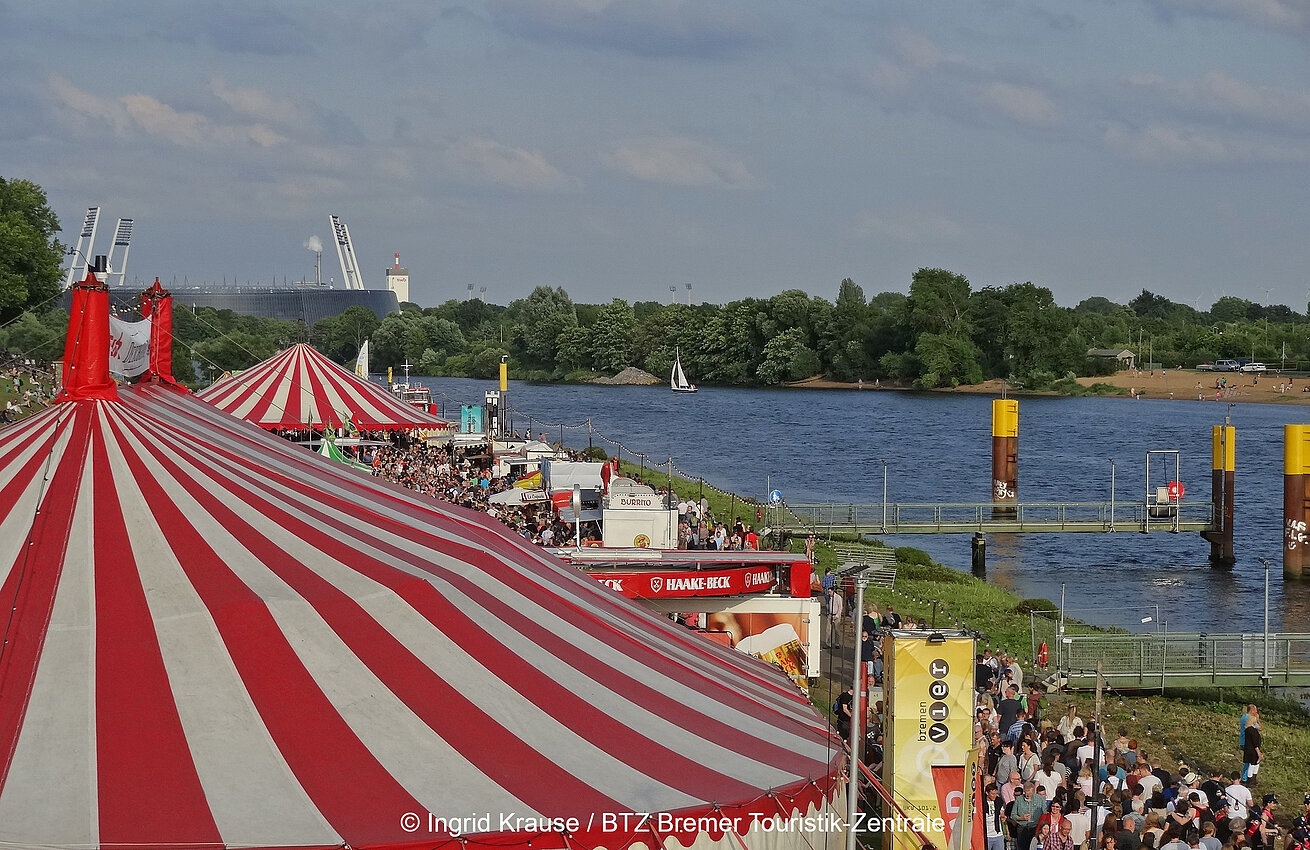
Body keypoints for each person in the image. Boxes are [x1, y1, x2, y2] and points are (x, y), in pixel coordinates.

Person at [984, 783, 1007, 850]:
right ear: (987, 793)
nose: (994, 796)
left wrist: (1003, 816)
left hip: (998, 834)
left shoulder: (999, 801)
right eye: (992, 794)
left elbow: (1001, 811)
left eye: (996, 794)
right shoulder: (982, 803)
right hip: (987, 835)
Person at [1242, 714, 1263, 783]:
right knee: (1253, 765)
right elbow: (1255, 742)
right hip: (1253, 751)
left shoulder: (1247, 730)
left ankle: (1251, 779)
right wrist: (1258, 752)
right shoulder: (1252, 730)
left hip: (1249, 750)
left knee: (1254, 764)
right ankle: (1251, 779)